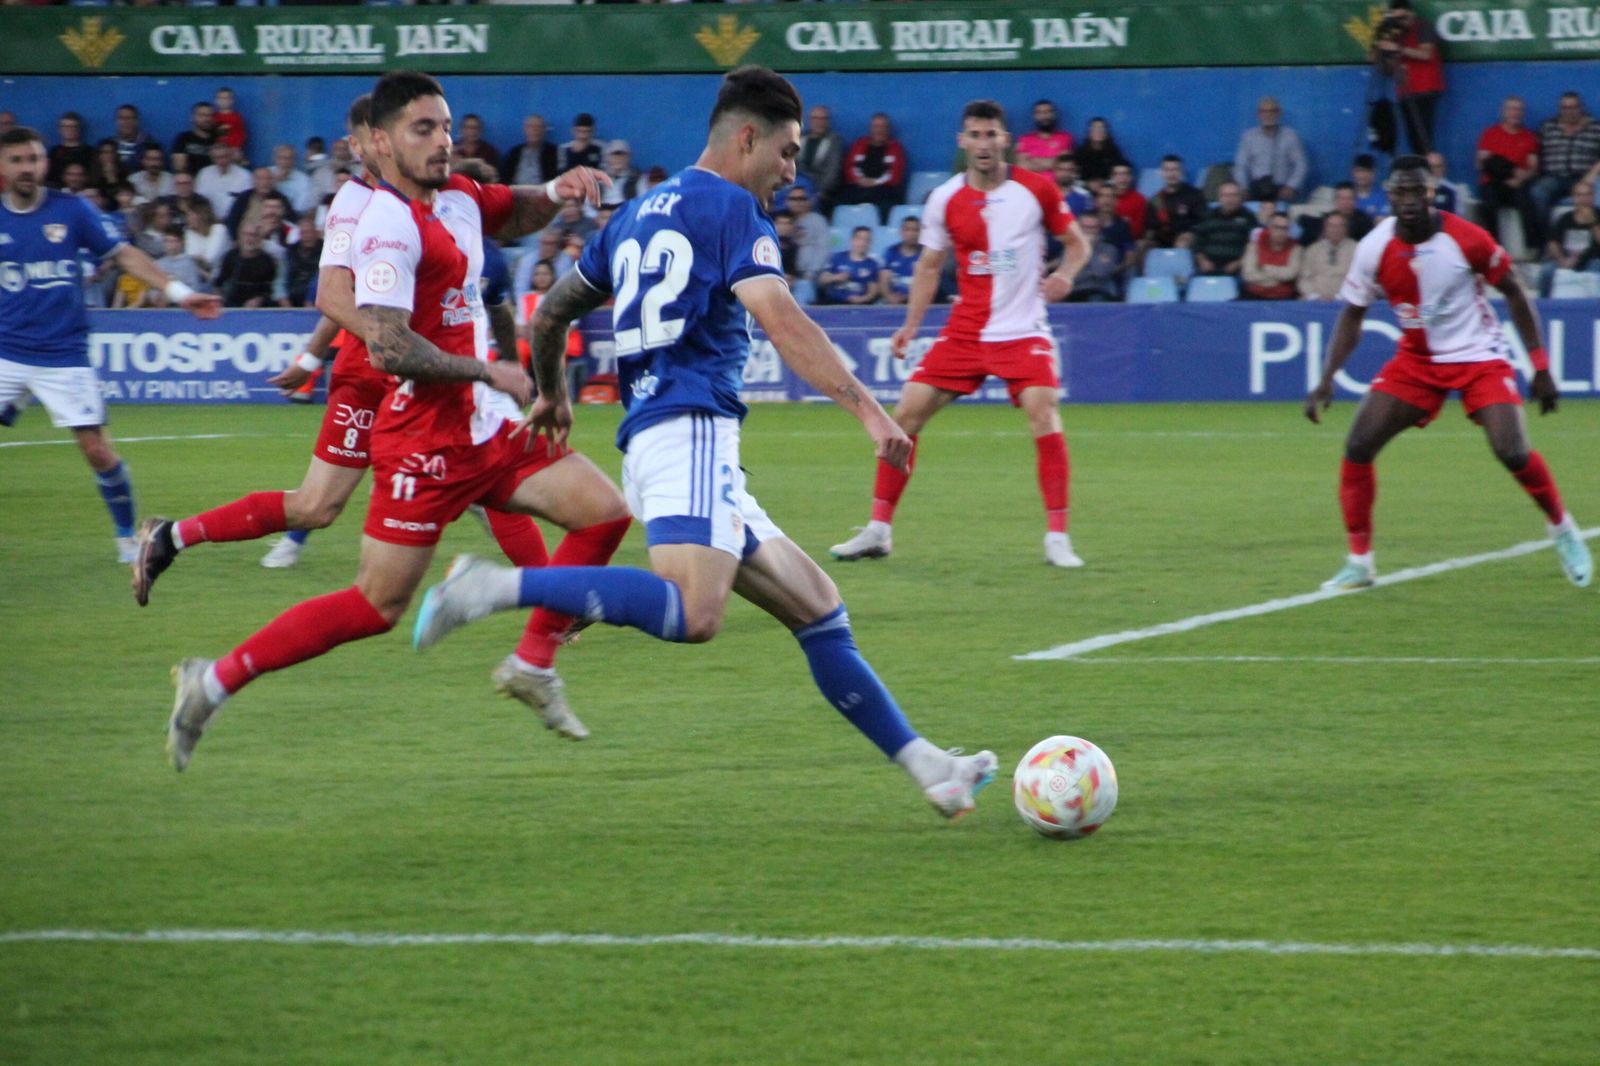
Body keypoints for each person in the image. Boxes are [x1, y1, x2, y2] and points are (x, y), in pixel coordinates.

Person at [409, 66, 998, 821]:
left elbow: (552, 311)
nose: (791, 172)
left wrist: (553, 392)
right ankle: (489, 587)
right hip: (687, 431)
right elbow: (785, 322)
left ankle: (932, 770)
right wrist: (871, 414)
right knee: (697, 614)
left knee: (819, 609)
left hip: (675, 440)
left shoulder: (633, 215)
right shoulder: (732, 210)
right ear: (746, 137)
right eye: (786, 153)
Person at [145, 71, 630, 770]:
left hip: (484, 427)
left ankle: (533, 663)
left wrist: (560, 191)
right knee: (376, 606)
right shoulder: (386, 224)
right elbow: (388, 343)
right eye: (421, 129)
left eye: (444, 127)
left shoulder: (456, 195)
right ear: (378, 142)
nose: (441, 142)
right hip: (424, 443)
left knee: (606, 514)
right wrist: (485, 369)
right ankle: (213, 680)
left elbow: (513, 210)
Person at [1305, 155, 1590, 591]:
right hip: (1417, 362)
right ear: (1388, 194)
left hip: (1479, 356)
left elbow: (1514, 292)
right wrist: (1327, 377)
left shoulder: (1467, 239)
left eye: (1417, 190)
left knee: (1511, 450)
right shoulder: (1373, 248)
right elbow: (1352, 315)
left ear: (1432, 192)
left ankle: (1562, 528)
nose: (1409, 199)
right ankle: (1360, 563)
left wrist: (1540, 367)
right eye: (1400, 191)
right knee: (1359, 445)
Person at [830, 99, 1091, 569]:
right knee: (905, 415)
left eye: (992, 134)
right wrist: (910, 326)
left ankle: (1057, 536)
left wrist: (1066, 275)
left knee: (1042, 409)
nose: (984, 143)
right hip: (966, 331)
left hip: (1021, 328)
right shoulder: (945, 198)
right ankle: (878, 529)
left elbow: (1078, 245)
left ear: (1005, 140)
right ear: (962, 141)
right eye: (975, 135)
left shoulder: (1038, 190)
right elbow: (930, 265)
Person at [0, 126, 222, 563]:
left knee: (96, 449)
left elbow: (122, 254)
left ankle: (126, 539)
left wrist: (179, 294)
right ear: (2, 167)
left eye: (33, 159)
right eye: (17, 160)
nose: (27, 168)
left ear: (44, 162)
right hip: (5, 352)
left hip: (63, 354)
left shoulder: (71, 210)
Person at [1372, 0, 1445, 155]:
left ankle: (1427, 171)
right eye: (1396, 19)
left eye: (1402, 18)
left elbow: (1426, 54)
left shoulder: (1423, 27)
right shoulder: (1396, 33)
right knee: (1413, 139)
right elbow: (1388, 69)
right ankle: (1418, 168)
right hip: (1405, 89)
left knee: (1423, 138)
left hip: (1424, 88)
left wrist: (1398, 48)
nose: (1400, 22)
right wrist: (1381, 52)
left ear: (1410, 14)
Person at [1530, 92, 1600, 238]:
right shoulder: (1547, 127)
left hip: (1583, 178)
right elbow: (1534, 151)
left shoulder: (1595, 127)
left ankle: (1593, 244)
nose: (1569, 112)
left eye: (1574, 107)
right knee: (1537, 192)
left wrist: (1591, 175)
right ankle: (1548, 241)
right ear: (1560, 108)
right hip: (1553, 178)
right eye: (1565, 108)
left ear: (1581, 107)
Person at [1474, 96, 1540, 248]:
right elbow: (1481, 164)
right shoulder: (1490, 133)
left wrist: (1520, 179)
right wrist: (1509, 171)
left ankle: (1533, 248)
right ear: (1503, 112)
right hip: (1493, 182)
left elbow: (1533, 168)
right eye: (1512, 109)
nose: (1515, 113)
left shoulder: (1529, 137)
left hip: (1517, 184)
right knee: (1489, 203)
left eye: (1519, 109)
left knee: (1528, 203)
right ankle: (1493, 247)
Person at [1233, 97, 1307, 204]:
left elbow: (1301, 165)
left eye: (1272, 111)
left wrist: (1291, 186)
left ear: (1279, 113)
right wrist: (1243, 188)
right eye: (1263, 111)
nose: (1268, 115)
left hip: (1282, 190)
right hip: (1256, 190)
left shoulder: (1290, 136)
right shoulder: (1248, 137)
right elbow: (1240, 166)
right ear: (1258, 114)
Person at [837, 113, 907, 224]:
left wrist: (874, 182)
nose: (879, 130)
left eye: (883, 127)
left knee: (887, 203)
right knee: (840, 201)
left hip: (884, 190)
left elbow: (895, 176)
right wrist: (860, 180)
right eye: (876, 126)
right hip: (859, 187)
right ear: (870, 128)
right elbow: (849, 167)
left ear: (888, 129)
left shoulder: (896, 148)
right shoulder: (859, 144)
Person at [1537, 180, 1598, 296]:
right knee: (1546, 271)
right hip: (1566, 258)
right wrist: (1562, 260)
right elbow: (1553, 243)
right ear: (1574, 197)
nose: (1584, 199)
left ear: (1593, 196)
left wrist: (1593, 223)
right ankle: (1543, 307)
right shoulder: (1565, 218)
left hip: (1592, 260)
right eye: (1580, 195)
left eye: (1587, 195)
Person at [1143, 154, 1207, 249]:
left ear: (1182, 172)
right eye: (1167, 170)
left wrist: (1191, 233)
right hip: (1161, 240)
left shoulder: (1195, 195)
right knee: (1142, 247)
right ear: (1162, 173)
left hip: (1186, 239)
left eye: (1175, 169)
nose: (1171, 174)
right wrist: (1147, 240)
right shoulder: (1156, 199)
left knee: (1182, 243)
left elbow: (1203, 222)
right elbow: (1151, 227)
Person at [216, 224, 287, 308]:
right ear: (240, 237)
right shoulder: (231, 257)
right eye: (247, 234)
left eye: (254, 235)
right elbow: (218, 284)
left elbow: (270, 291)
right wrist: (219, 300)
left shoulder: (267, 261)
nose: (250, 238)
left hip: (258, 308)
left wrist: (259, 300)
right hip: (232, 305)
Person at [1241, 212, 1301, 299]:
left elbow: (1291, 274)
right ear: (1269, 228)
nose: (1280, 232)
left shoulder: (1296, 248)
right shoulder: (1254, 246)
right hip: (1253, 295)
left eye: (1284, 228)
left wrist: (1265, 268)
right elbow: (1248, 274)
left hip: (1284, 298)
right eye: (1276, 227)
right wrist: (1275, 281)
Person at [1297, 211, 1356, 300]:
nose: (1335, 229)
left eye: (1339, 226)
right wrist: (1315, 296)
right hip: (1315, 301)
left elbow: (1359, 280)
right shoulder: (1313, 249)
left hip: (1345, 300)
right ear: (1325, 228)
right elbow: (1304, 278)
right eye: (1331, 225)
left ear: (1345, 228)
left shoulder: (1356, 249)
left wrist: (1338, 297)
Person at [1066, 213, 1124, 302]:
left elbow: (1100, 273)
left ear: (1099, 229)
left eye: (1093, 228)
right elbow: (1070, 275)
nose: (1089, 231)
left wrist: (1089, 248)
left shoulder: (1109, 249)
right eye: (1086, 227)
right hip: (1073, 292)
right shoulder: (1070, 248)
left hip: (1098, 291)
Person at [817, 225, 882, 305]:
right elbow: (822, 280)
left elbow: (872, 292)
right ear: (852, 240)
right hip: (833, 303)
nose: (863, 243)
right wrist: (836, 277)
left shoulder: (872, 264)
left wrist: (861, 299)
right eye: (860, 239)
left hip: (859, 306)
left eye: (867, 240)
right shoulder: (837, 258)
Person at [796, 104, 843, 210]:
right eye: (816, 118)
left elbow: (833, 171)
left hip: (820, 190)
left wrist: (819, 191)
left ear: (827, 121)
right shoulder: (799, 139)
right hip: (796, 186)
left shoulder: (834, 141)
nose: (819, 122)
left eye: (823, 118)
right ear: (810, 120)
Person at [1300, 182, 1374, 245]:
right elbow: (1304, 220)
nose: (1345, 203)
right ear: (1335, 200)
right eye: (1341, 198)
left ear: (1356, 201)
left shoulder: (1364, 222)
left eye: (1349, 198)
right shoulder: (1328, 218)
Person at [784, 185, 830, 280]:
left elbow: (823, 248)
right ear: (786, 201)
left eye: (802, 198)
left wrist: (812, 272)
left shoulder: (818, 220)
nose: (797, 202)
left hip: (811, 273)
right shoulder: (782, 219)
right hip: (786, 272)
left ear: (810, 201)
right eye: (793, 199)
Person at [195, 142, 251, 220]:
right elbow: (199, 200)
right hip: (209, 220)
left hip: (235, 220)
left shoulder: (244, 175)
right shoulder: (204, 173)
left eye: (224, 156)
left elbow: (247, 203)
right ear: (212, 159)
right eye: (217, 158)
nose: (221, 161)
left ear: (230, 156)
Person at [1016, 99, 1073, 173]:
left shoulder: (1065, 138)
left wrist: (1033, 160)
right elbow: (1022, 166)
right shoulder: (1024, 139)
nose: (1044, 116)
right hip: (1030, 183)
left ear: (1054, 114)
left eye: (1047, 112)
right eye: (1040, 113)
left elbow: (1064, 165)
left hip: (1055, 184)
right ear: (1034, 116)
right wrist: (1052, 161)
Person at [504, 114, 558, 188]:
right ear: (525, 129)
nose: (535, 130)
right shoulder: (514, 152)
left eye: (539, 127)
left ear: (544, 130)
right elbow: (505, 178)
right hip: (516, 193)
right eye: (531, 126)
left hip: (542, 194)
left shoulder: (554, 152)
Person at [879, 215, 921, 305]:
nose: (911, 233)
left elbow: (929, 282)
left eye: (915, 230)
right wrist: (889, 296)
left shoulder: (925, 253)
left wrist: (909, 297)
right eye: (908, 230)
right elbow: (883, 278)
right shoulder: (890, 251)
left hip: (918, 302)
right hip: (893, 302)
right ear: (901, 232)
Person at [1075, 117, 1128, 189]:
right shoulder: (1080, 153)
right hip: (1084, 189)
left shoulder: (1114, 153)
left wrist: (1104, 184)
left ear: (1106, 133)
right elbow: (1075, 176)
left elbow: (1117, 175)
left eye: (1102, 128)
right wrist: (1087, 184)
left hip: (1108, 190)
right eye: (1094, 128)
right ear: (1089, 132)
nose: (1098, 131)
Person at [169, 102, 217, 177]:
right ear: (192, 118)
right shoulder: (183, 139)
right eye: (202, 115)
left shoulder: (219, 140)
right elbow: (179, 168)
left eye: (209, 115)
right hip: (190, 184)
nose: (207, 119)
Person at [47, 113, 93, 188]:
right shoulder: (54, 152)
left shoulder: (89, 152)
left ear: (79, 129)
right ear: (59, 129)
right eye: (65, 126)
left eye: (73, 126)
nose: (69, 129)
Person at [110, 104, 158, 176]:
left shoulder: (149, 144)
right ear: (117, 121)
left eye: (129, 118)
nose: (125, 122)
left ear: (136, 121)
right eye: (121, 118)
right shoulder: (109, 145)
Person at [271, 144, 315, 215]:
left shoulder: (304, 180)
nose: (284, 162)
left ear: (294, 160)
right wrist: (274, 182)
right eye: (280, 158)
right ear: (274, 159)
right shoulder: (266, 174)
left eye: (288, 158)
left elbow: (299, 209)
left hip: (290, 217)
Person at [1108, 162, 1147, 241]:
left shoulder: (1139, 200)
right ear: (1112, 178)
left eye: (1125, 174)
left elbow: (1137, 231)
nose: (1122, 179)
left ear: (1131, 177)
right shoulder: (1104, 196)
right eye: (1117, 174)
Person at [1351, 154, 1390, 219]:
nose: (1362, 175)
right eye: (1359, 171)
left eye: (1366, 171)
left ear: (1373, 173)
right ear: (1353, 173)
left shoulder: (1383, 195)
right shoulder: (1347, 193)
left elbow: (1383, 221)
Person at [211, 87, 247, 156]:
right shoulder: (213, 117)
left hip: (233, 149)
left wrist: (236, 147)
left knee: (237, 155)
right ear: (216, 100)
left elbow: (241, 134)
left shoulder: (237, 117)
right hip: (216, 149)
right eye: (220, 98)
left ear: (232, 101)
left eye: (227, 98)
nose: (224, 101)